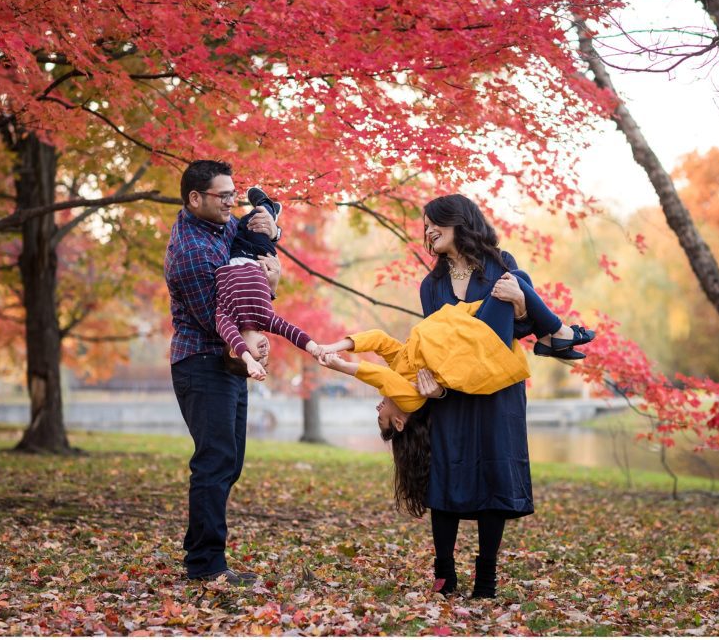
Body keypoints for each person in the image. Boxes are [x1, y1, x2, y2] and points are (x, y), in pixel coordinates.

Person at [389, 193, 551, 600]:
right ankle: (444, 575)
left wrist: (517, 309)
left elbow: (521, 331)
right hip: (452, 391)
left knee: (492, 471)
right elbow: (435, 340)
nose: (427, 230)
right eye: (424, 224)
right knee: (446, 470)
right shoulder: (432, 285)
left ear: (459, 221)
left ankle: (486, 579)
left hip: (496, 389)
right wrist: (432, 383)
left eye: (433, 222)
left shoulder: (502, 265)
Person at [164, 160, 281, 587]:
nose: (232, 201)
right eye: (223, 196)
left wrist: (270, 230)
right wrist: (270, 286)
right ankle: (206, 566)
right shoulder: (192, 252)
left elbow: (249, 241)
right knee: (215, 462)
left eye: (234, 194)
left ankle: (199, 553)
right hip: (203, 362)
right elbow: (224, 317)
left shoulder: (218, 228)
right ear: (195, 198)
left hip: (228, 362)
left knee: (228, 463)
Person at [314, 271, 594, 413]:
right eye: (381, 417)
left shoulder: (400, 365)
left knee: (518, 278)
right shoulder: (410, 400)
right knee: (514, 280)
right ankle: (556, 334)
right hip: (475, 352)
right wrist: (340, 367)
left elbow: (378, 341)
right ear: (399, 424)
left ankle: (549, 338)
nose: (378, 408)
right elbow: (379, 376)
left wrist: (334, 347)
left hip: (466, 334)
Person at [215, 187, 320, 380]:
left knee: (245, 224)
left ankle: (272, 210)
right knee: (258, 220)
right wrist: (314, 348)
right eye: (266, 359)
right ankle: (268, 207)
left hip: (236, 253)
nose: (265, 354)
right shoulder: (266, 319)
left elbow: (234, 339)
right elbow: (291, 332)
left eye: (259, 358)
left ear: (235, 352)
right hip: (261, 257)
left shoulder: (226, 320)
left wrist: (249, 361)